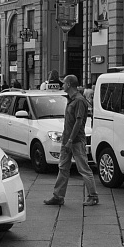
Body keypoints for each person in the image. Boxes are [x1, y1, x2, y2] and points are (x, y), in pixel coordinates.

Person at [43, 75, 98, 207]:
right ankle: (58, 196)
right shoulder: (71, 99)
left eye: (64, 83)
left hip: (76, 141)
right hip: (67, 140)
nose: (62, 85)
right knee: (63, 168)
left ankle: (93, 196)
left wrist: (70, 140)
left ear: (69, 84)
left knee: (83, 168)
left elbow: (79, 122)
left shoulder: (79, 101)